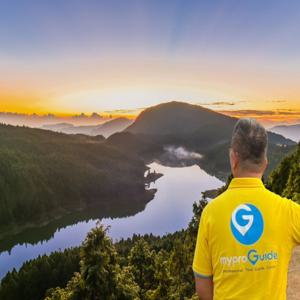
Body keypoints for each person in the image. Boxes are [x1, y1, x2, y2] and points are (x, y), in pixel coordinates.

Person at [192, 118, 300, 300]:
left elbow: (202, 284)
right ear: (265, 163)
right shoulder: (287, 211)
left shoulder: (211, 213)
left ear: (233, 158)